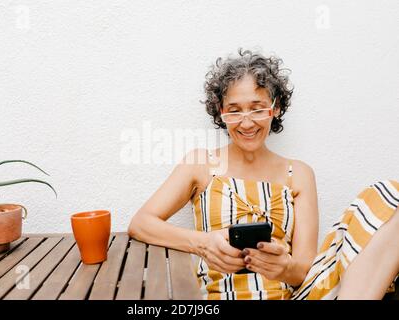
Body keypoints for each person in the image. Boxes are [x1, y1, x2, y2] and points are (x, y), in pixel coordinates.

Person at [127, 49, 399, 300]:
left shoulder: (299, 174)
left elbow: (302, 269)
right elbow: (141, 223)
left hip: (291, 295)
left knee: (390, 196)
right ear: (221, 113)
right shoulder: (201, 164)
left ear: (275, 107)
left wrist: (284, 268)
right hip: (218, 296)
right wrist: (203, 244)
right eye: (234, 111)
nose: (247, 122)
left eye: (257, 108)